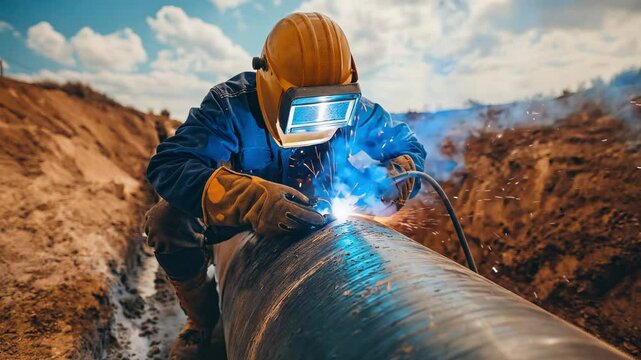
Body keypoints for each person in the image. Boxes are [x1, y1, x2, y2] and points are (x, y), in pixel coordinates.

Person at [143, 12, 426, 360]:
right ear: (272, 84)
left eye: (333, 106)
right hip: (241, 215)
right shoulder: (231, 105)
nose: (322, 119)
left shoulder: (355, 109)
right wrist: (253, 199)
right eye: (307, 109)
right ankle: (201, 322)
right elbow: (170, 164)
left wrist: (397, 175)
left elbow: (408, 148)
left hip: (315, 212)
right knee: (165, 222)